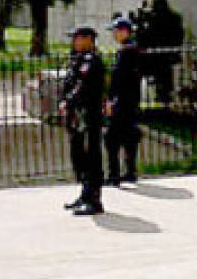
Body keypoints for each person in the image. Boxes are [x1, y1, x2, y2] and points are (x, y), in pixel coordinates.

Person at [60, 25, 106, 216]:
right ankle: (85, 194)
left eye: (78, 38)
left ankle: (94, 200)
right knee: (79, 157)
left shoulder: (92, 61)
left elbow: (82, 86)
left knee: (91, 157)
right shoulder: (78, 59)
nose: (74, 42)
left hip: (89, 115)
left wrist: (68, 101)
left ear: (88, 39)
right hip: (78, 116)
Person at [104, 15, 142, 186]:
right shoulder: (131, 50)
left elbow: (120, 80)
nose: (114, 35)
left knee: (112, 139)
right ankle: (130, 171)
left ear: (124, 31)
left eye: (116, 31)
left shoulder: (127, 52)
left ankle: (114, 174)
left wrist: (112, 101)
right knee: (129, 137)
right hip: (130, 101)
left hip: (123, 102)